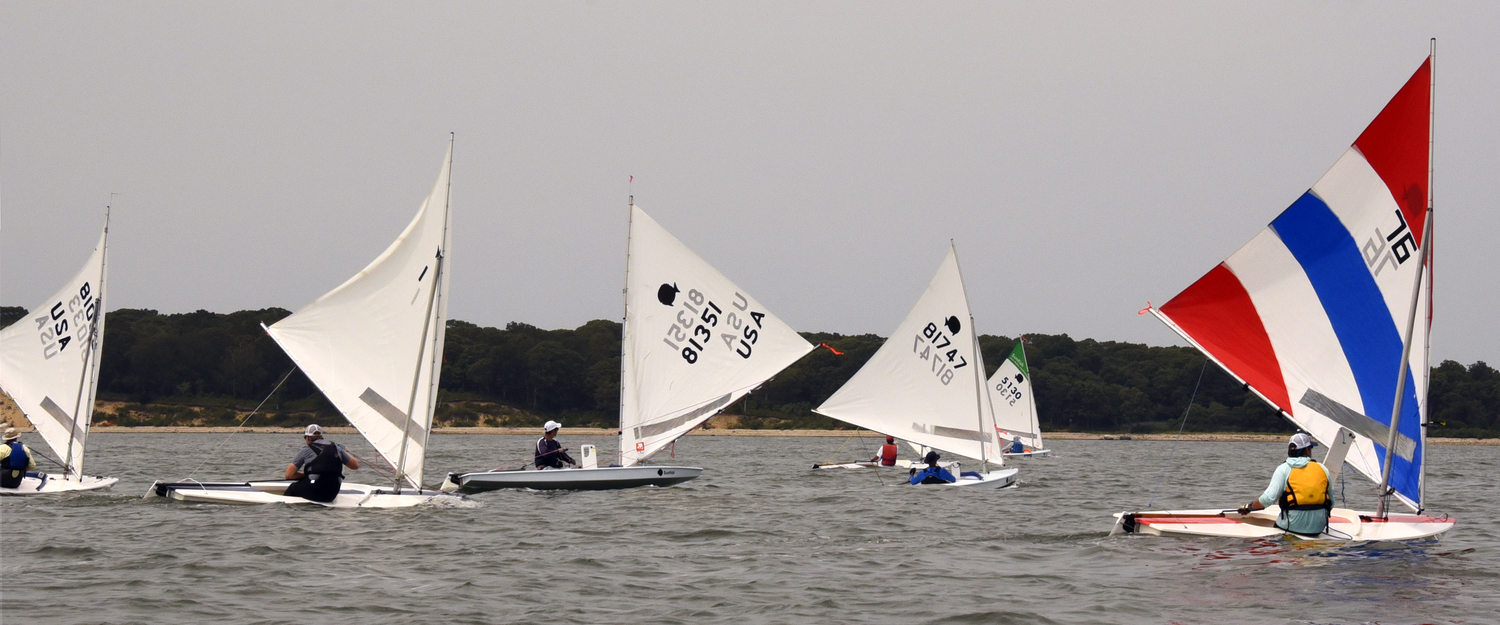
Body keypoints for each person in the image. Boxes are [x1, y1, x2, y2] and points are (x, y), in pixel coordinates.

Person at [1237, 432, 1335, 537]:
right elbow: (1331, 503)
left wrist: (1249, 507)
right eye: (1310, 448)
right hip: (1318, 528)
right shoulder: (1323, 469)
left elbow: (1267, 499)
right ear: (1306, 450)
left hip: (1292, 527)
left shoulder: (1284, 469)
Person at [283, 424, 359, 503]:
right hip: (332, 494)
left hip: (314, 491)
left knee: (292, 488)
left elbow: (289, 475)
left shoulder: (306, 449)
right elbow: (355, 466)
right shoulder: (336, 447)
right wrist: (345, 452)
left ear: (308, 438)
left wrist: (305, 475)